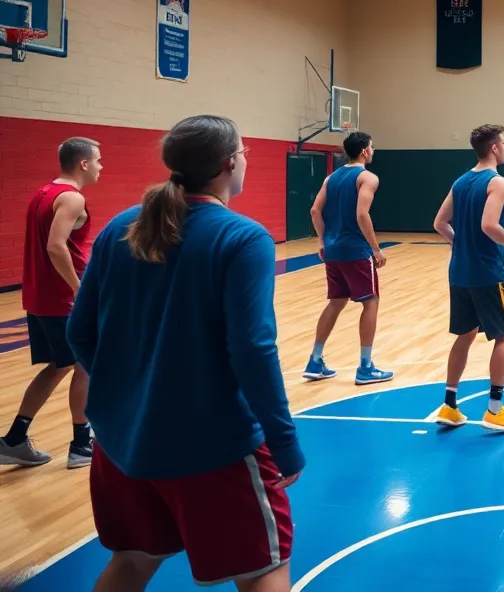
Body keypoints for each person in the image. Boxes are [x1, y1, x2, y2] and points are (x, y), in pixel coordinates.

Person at [66, 115, 302, 591]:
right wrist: (283, 443)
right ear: (229, 163)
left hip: (120, 445)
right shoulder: (244, 238)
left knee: (132, 561)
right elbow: (253, 350)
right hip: (213, 446)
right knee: (262, 569)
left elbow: (79, 331)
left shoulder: (118, 228)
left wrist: (127, 395)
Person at [0, 137, 102, 469]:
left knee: (59, 367)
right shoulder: (72, 198)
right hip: (63, 300)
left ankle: (14, 438)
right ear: (83, 163)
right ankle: (80, 445)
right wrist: (79, 289)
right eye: (98, 161)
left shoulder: (42, 193)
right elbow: (56, 247)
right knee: (84, 366)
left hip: (40, 298)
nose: (101, 167)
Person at [433, 124, 504, 432]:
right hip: (487, 273)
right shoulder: (497, 182)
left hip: (459, 271)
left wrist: (460, 244)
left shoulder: (460, 181)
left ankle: (449, 406)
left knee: (465, 334)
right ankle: (495, 410)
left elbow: (439, 223)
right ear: (494, 148)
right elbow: (489, 225)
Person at [302, 131, 392, 385]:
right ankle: (366, 366)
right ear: (364, 150)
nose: (373, 151)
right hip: (355, 250)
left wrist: (323, 241)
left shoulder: (331, 178)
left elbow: (314, 210)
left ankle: (315, 360)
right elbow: (362, 214)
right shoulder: (367, 177)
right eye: (372, 147)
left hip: (332, 250)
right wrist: (376, 248)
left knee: (336, 302)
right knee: (371, 302)